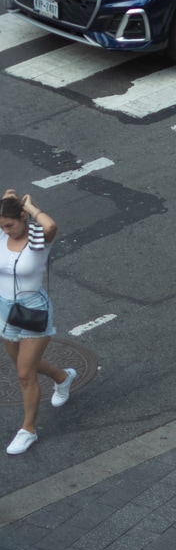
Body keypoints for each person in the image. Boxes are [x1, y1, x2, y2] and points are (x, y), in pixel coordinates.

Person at [1, 189, 74, 457]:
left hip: (33, 311)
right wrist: (4, 200)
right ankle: (62, 377)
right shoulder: (1, 234)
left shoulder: (36, 238)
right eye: (3, 226)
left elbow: (50, 225)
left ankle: (28, 429)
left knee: (24, 373)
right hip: (5, 311)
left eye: (11, 225)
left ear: (23, 218)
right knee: (23, 362)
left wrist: (30, 207)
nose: (8, 231)